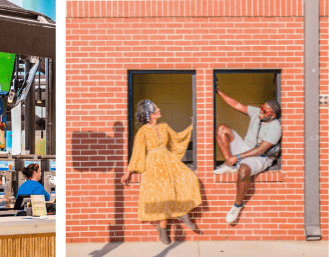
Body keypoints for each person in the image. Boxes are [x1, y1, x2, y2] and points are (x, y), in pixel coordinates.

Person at [120, 100, 201, 245]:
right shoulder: (143, 131)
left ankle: (183, 213)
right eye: (155, 109)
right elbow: (138, 152)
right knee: (162, 194)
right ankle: (162, 228)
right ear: (149, 114)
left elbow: (177, 139)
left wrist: (191, 128)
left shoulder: (164, 126)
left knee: (190, 178)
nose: (159, 109)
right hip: (153, 164)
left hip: (168, 159)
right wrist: (129, 171)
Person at [213, 86, 282, 224]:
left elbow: (260, 150)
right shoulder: (257, 113)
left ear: (272, 115)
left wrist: (237, 157)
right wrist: (218, 91)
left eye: (264, 110)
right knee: (221, 129)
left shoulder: (275, 128)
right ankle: (230, 165)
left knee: (244, 170)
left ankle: (237, 205)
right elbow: (236, 104)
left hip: (260, 157)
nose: (261, 110)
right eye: (262, 107)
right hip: (245, 148)